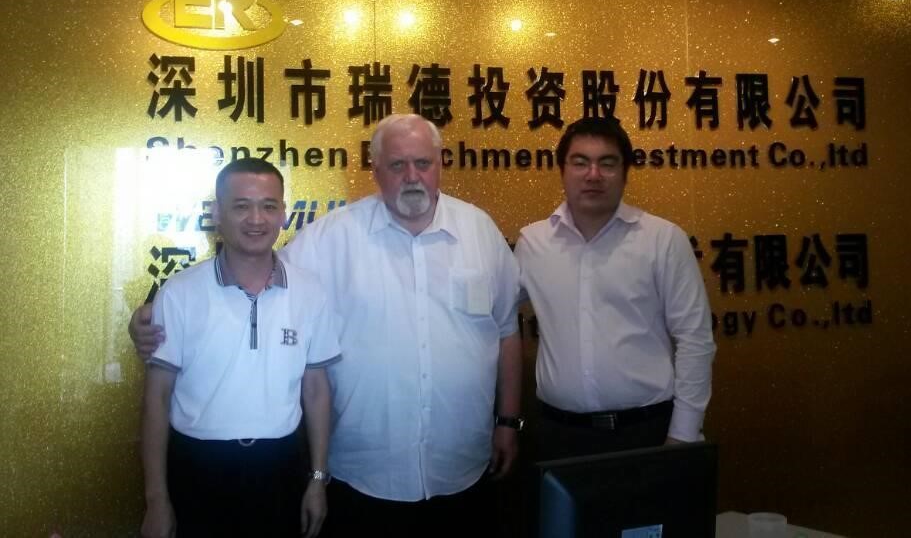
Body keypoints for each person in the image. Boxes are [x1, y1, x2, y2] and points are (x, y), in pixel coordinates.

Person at [131, 114, 522, 537]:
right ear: (375, 170)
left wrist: (508, 420)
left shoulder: (480, 232)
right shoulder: (332, 237)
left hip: (463, 465)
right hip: (363, 476)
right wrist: (155, 312)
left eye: (423, 163)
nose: (412, 176)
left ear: (440, 163)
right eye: (397, 165)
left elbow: (506, 330)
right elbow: (255, 267)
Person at [139, 158, 340, 538]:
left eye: (268, 206)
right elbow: (157, 398)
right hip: (197, 468)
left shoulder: (311, 291)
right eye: (241, 206)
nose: (256, 219)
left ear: (283, 213)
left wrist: (317, 478)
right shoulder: (179, 293)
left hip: (281, 467)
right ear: (217, 213)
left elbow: (316, 391)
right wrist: (156, 499)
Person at [515, 117, 716, 461]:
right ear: (562, 170)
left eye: (607, 163)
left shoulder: (662, 240)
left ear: (625, 173)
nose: (593, 175)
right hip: (558, 434)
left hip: (647, 431)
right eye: (580, 162)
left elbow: (695, 339)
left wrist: (683, 434)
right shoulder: (533, 243)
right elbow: (493, 316)